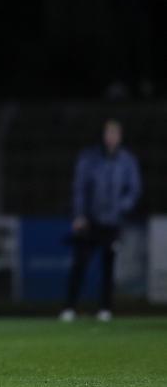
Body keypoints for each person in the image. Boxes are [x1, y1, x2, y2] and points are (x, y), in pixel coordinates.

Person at [60, 119, 142, 322]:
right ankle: (69, 307)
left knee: (109, 266)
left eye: (115, 133)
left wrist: (121, 207)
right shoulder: (89, 158)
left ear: (120, 137)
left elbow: (134, 189)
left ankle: (105, 308)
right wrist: (79, 214)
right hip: (90, 220)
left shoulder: (127, 161)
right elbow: (79, 188)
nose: (111, 137)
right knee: (80, 264)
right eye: (108, 133)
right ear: (104, 135)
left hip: (113, 222)